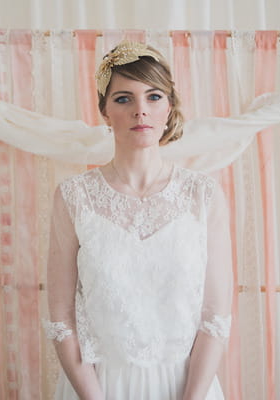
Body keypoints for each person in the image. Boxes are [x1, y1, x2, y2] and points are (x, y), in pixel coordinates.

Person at [43, 40, 233, 400]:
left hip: (188, 385)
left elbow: (215, 317)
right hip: (97, 385)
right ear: (104, 111)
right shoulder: (73, 197)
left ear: (169, 107)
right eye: (123, 98)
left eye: (154, 96)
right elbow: (61, 318)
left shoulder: (203, 196)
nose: (140, 110)